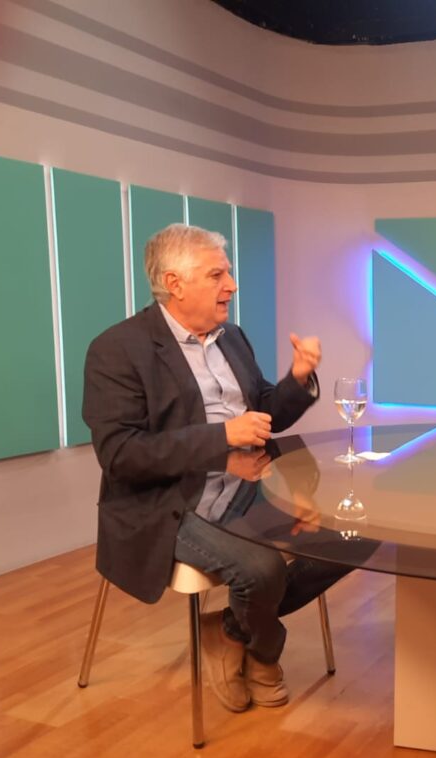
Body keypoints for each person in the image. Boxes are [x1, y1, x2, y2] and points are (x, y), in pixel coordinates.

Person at [82, 223, 350, 714]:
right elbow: (120, 454)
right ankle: (264, 655)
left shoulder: (232, 338)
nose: (232, 285)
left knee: (350, 535)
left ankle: (227, 631)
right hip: (166, 504)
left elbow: (264, 415)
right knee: (262, 568)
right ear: (175, 283)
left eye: (228, 273)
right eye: (217, 275)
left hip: (246, 487)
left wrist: (297, 379)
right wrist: (222, 440)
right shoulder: (117, 350)